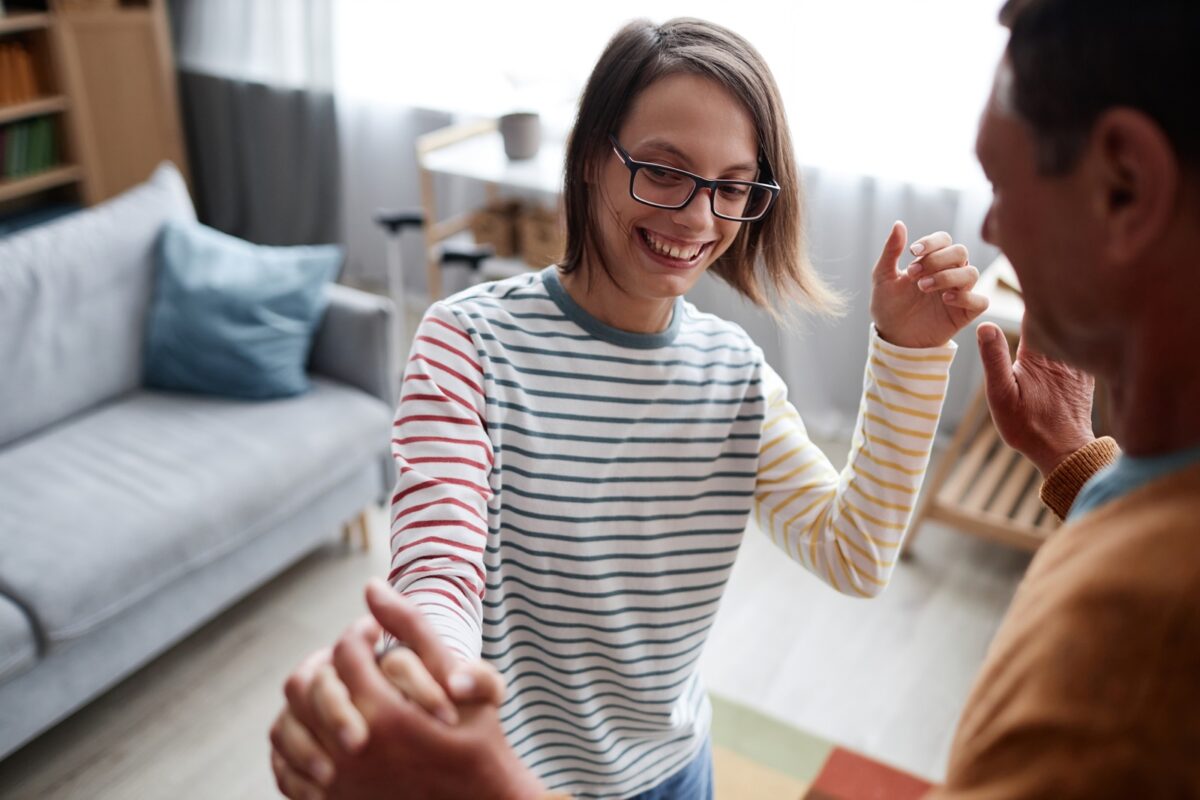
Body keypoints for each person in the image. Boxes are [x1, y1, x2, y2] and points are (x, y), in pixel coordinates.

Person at [270, 16, 988, 799]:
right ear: (590, 158)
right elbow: (439, 568)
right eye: (663, 169)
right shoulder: (466, 344)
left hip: (675, 772)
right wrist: (430, 680)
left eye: (733, 185)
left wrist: (911, 353)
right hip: (497, 770)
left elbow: (855, 555)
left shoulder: (736, 380)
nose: (699, 218)